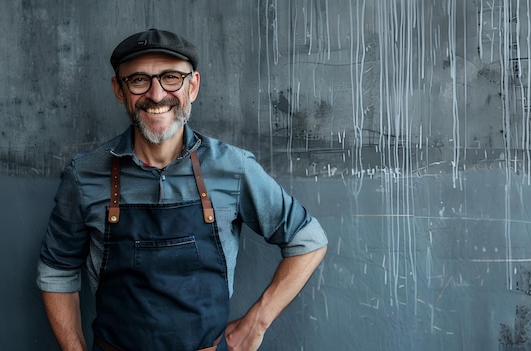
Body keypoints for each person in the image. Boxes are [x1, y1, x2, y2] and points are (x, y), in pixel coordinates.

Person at [36, 28, 328, 351]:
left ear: (193, 86)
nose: (157, 95)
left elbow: (308, 240)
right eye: (138, 80)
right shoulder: (84, 174)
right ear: (119, 90)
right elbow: (56, 272)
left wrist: (256, 321)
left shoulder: (233, 167)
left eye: (171, 77)